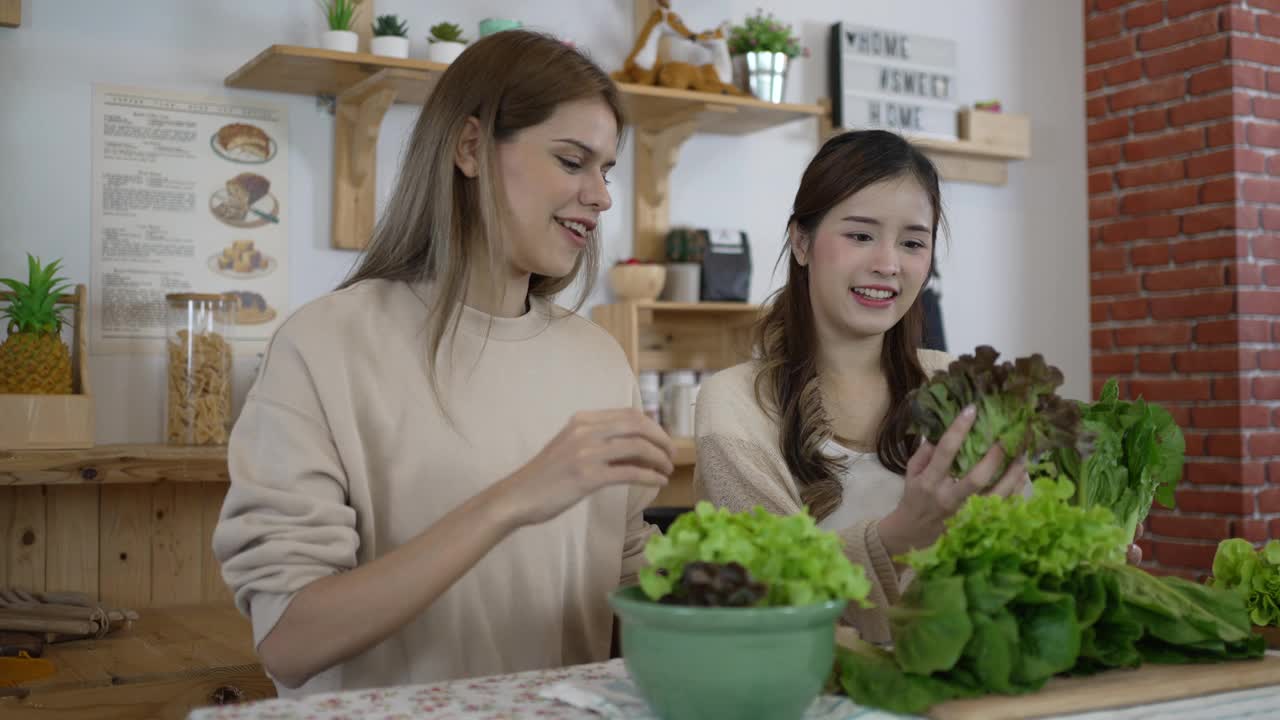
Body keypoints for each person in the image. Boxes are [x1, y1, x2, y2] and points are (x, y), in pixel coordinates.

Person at [212, 31, 675, 697]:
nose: (601, 196)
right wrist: (516, 498)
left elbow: (626, 596)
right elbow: (290, 640)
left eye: (606, 169)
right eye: (574, 161)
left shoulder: (598, 360)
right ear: (469, 149)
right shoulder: (325, 345)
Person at [693, 130, 1029, 644]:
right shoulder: (736, 404)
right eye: (860, 235)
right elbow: (768, 591)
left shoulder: (957, 384)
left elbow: (1012, 567)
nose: (889, 263)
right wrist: (900, 534)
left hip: (956, 686)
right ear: (802, 243)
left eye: (913, 243)